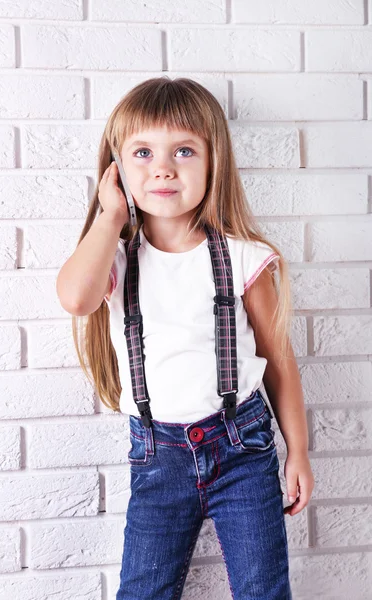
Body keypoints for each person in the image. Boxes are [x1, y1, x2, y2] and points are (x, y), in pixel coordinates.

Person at [57, 76, 314, 600]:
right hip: (157, 457)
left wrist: (299, 450)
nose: (163, 167)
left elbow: (279, 360)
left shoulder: (242, 258)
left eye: (184, 150)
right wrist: (110, 216)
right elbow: (75, 298)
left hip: (241, 448)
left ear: (212, 161)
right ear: (117, 168)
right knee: (143, 590)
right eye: (144, 152)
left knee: (264, 590)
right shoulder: (118, 259)